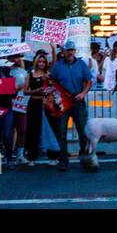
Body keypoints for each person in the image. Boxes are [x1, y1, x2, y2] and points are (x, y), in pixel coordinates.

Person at [48, 41, 93, 171]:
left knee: (83, 132)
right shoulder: (57, 66)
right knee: (61, 132)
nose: (70, 52)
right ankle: (63, 160)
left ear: (75, 51)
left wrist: (83, 93)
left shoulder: (81, 64)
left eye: (72, 50)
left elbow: (89, 81)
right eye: (68, 50)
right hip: (63, 102)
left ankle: (85, 159)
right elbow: (53, 82)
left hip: (78, 100)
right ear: (63, 52)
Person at [23, 51, 52, 166]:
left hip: (45, 103)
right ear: (36, 62)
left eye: (43, 61)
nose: (41, 63)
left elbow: (53, 88)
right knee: (32, 131)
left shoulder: (49, 75)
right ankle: (32, 157)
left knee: (48, 129)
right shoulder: (30, 75)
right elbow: (25, 91)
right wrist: (35, 91)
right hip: (34, 102)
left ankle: (52, 156)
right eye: (40, 61)